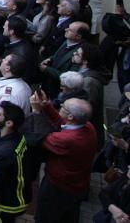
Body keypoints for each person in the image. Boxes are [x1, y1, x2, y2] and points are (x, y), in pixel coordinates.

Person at [27, 93, 97, 223]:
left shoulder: (66, 139)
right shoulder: (88, 126)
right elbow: (62, 122)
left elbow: (37, 138)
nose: (59, 108)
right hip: (77, 185)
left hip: (58, 187)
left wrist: (36, 111)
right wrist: (46, 106)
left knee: (46, 217)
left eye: (63, 107)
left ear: (71, 116)